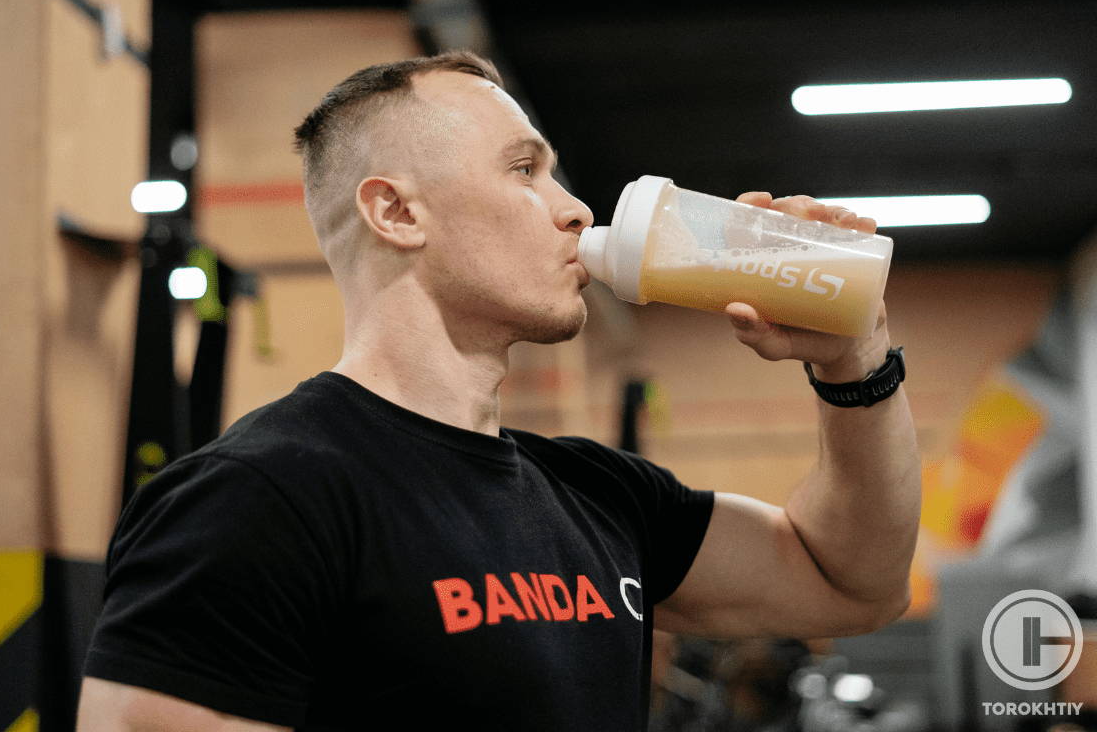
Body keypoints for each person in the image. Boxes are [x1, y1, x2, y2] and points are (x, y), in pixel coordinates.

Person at [76, 50, 919, 731]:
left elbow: (854, 583)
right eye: (524, 170)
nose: (577, 209)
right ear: (397, 214)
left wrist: (856, 363)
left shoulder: (599, 495)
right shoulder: (258, 499)